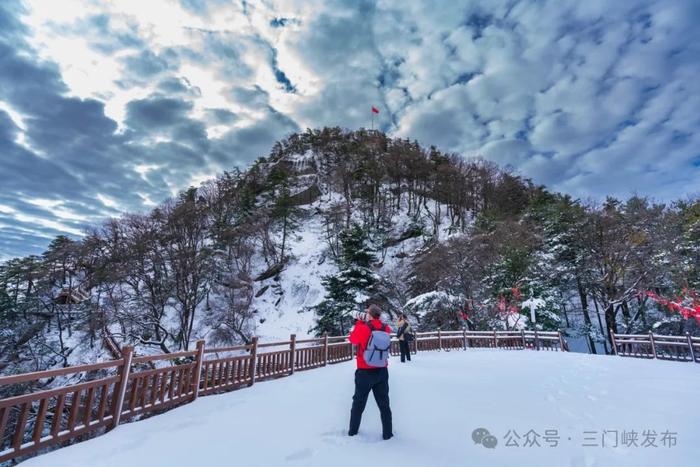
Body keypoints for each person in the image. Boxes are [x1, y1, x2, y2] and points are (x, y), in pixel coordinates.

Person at [347, 304, 393, 440]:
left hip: (365, 371)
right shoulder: (387, 328)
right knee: (384, 404)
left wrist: (361, 322)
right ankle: (388, 433)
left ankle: (353, 432)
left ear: (370, 315)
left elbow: (352, 339)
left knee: (358, 403)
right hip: (382, 370)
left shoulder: (363, 328)